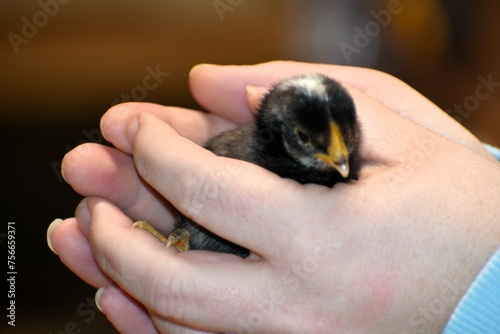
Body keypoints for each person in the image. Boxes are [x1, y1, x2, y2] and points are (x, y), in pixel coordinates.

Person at [47, 61, 500, 333]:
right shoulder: (229, 156)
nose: (340, 156)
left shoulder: (356, 177)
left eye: (346, 137)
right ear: (278, 132)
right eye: (310, 137)